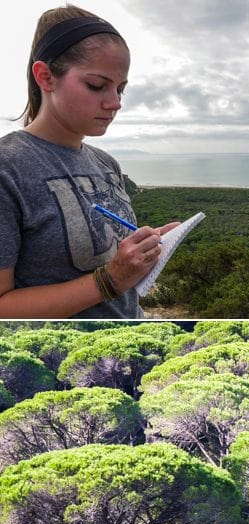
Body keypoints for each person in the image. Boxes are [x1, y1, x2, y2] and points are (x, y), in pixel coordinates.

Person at [0, 6, 179, 318]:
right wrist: (109, 280)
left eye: (120, 89)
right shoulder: (9, 168)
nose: (115, 103)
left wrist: (143, 253)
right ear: (45, 77)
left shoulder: (106, 163)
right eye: (97, 85)